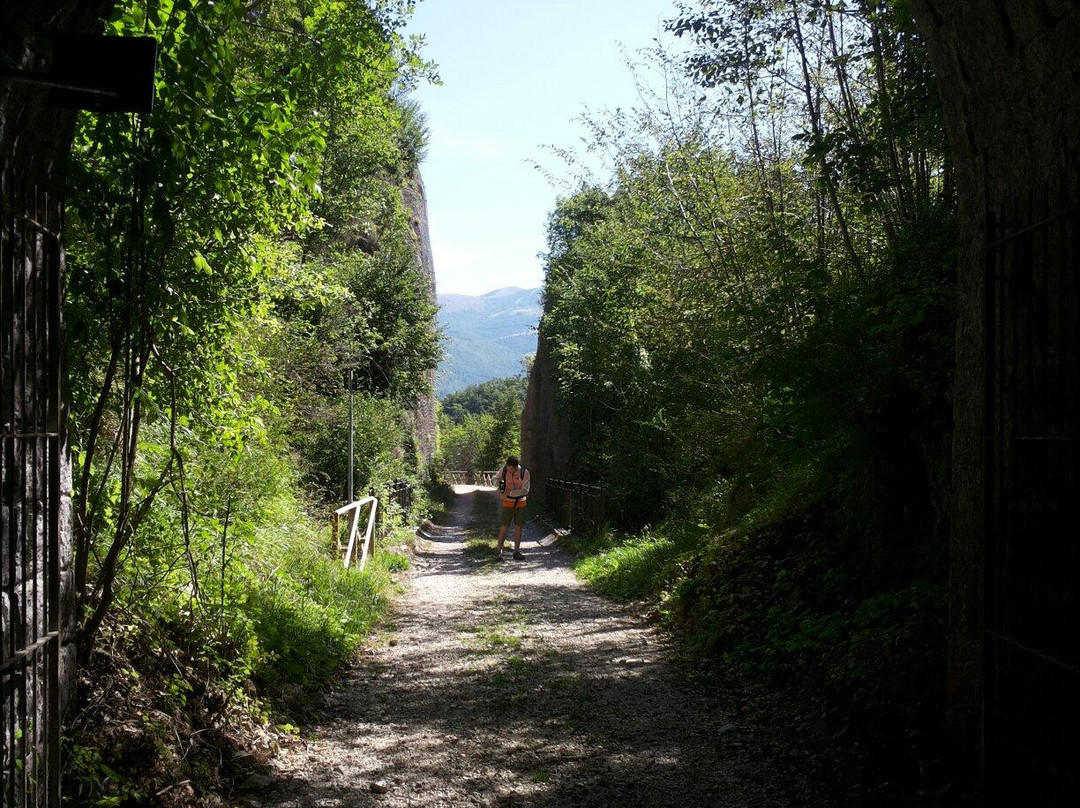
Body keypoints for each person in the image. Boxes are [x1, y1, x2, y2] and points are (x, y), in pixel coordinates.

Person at [495, 455, 530, 560]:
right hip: (507, 503)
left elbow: (525, 490)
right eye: (508, 469)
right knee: (504, 526)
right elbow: (495, 477)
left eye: (511, 470)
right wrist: (498, 484)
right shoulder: (504, 470)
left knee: (518, 527)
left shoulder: (525, 473)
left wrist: (510, 492)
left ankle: (516, 551)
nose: (509, 471)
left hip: (520, 503)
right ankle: (499, 550)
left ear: (516, 467)